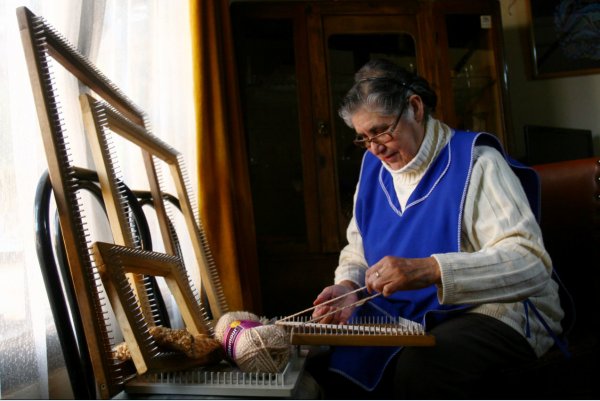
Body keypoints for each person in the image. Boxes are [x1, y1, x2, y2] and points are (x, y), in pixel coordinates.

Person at [307, 58, 564, 399]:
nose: (375, 148)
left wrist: (430, 269)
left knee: (423, 366)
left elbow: (530, 262)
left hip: (499, 308)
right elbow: (357, 248)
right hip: (413, 310)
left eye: (382, 130)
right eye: (363, 138)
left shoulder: (477, 162)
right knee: (328, 360)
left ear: (415, 107)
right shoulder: (372, 168)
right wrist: (348, 286)